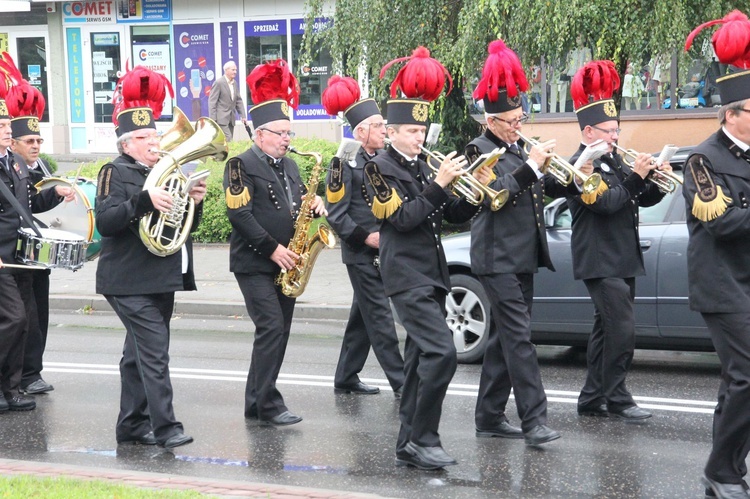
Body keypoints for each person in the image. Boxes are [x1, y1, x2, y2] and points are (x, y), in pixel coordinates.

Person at [365, 47, 487, 470]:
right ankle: (425, 436)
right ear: (392, 132)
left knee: (419, 361)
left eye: (422, 130)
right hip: (405, 276)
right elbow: (402, 219)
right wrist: (439, 184)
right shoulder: (378, 169)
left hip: (431, 275)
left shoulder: (419, 167)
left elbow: (447, 216)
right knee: (442, 354)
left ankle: (407, 444)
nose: (421, 137)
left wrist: (475, 193)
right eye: (413, 131)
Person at [468, 40, 571, 446]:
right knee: (520, 339)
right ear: (491, 121)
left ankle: (489, 415)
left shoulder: (518, 147)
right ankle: (535, 421)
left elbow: (539, 188)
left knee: (503, 339)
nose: (519, 125)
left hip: (523, 256)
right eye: (511, 120)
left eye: (521, 117)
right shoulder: (479, 151)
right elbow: (497, 196)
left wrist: (573, 174)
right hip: (496, 258)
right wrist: (531, 167)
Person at [95, 66, 204, 448]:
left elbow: (181, 226)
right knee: (155, 352)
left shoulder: (167, 170)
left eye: (155, 135)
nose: (153, 143)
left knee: (136, 356)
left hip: (160, 274)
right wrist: (144, 200)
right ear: (126, 144)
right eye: (143, 137)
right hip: (126, 280)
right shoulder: (114, 171)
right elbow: (107, 221)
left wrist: (193, 201)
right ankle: (166, 427)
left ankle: (130, 426)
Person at [224, 58, 325, 426]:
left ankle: (257, 401)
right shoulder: (239, 164)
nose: (287, 139)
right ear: (259, 133)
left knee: (279, 333)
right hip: (255, 263)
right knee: (270, 328)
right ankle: (268, 404)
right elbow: (240, 215)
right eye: (280, 133)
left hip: (289, 261)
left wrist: (316, 207)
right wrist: (273, 249)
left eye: (289, 133)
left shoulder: (293, 166)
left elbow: (297, 208)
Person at [568, 60, 666, 421]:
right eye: (609, 131)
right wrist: (637, 178)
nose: (615, 137)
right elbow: (608, 204)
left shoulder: (614, 160)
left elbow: (639, 197)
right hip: (599, 258)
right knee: (622, 330)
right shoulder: (580, 165)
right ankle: (619, 397)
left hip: (622, 256)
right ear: (589, 130)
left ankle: (592, 398)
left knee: (605, 330)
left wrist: (654, 178)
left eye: (617, 130)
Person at [684, 11, 750, 498]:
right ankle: (722, 470)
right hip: (722, 283)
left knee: (737, 381)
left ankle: (725, 465)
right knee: (748, 376)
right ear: (731, 114)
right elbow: (722, 221)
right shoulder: (703, 158)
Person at [321, 75, 405, 397]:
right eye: (378, 126)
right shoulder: (342, 164)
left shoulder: (381, 160)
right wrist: (366, 238)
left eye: (384, 125)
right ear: (360, 132)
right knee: (380, 318)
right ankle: (402, 383)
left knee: (362, 317)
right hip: (361, 252)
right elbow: (337, 215)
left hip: (381, 250)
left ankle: (345, 377)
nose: (385, 130)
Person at [0, 66, 73, 413]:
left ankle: (15, 386)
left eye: (4, 125)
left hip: (21, 255)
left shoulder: (15, 165)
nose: (4, 130)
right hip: (2, 258)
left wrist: (57, 193)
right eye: (2, 128)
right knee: (14, 319)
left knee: (25, 321)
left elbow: (26, 205)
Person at [9, 101, 55, 395]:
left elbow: (33, 204)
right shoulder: (9, 166)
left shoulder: (40, 166)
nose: (36, 146)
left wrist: (58, 193)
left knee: (39, 309)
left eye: (39, 140)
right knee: (24, 315)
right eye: (30, 141)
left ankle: (32, 370)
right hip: (12, 252)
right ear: (13, 143)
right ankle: (25, 374)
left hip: (33, 249)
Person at [209, 60, 247, 142]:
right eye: (233, 70)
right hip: (221, 119)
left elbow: (238, 101)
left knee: (227, 141)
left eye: (236, 70)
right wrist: (213, 120)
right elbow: (212, 102)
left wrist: (243, 115)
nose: (235, 72)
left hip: (231, 118)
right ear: (226, 70)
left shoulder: (234, 83)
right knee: (229, 139)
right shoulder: (219, 83)